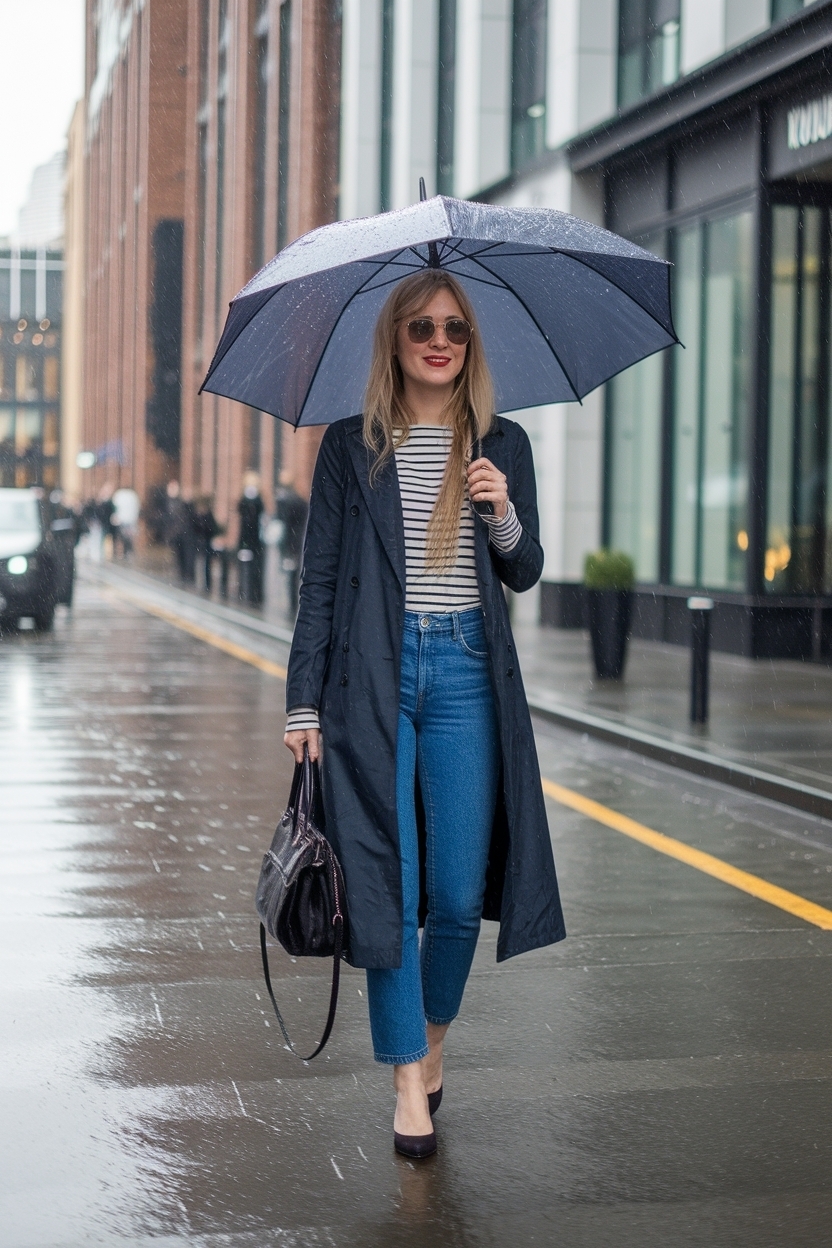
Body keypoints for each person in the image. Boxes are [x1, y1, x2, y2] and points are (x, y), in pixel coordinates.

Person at [283, 270, 565, 1160]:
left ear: (470, 342)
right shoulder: (351, 446)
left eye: (453, 328)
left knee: (453, 892)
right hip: (373, 677)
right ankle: (409, 1079)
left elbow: (525, 572)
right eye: (419, 329)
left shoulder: (501, 443)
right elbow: (319, 582)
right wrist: (303, 697)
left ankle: (433, 1036)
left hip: (468, 672)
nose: (438, 340)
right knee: (385, 884)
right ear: (395, 342)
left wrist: (503, 512)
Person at [274, 470, 308, 615]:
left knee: (290, 573)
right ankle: (293, 603)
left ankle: (292, 603)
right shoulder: (299, 500)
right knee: (293, 573)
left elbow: (285, 523)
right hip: (298, 540)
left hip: (290, 541)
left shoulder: (285, 501)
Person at [237, 471, 265, 605]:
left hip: (253, 541)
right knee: (247, 570)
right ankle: (248, 594)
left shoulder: (256, 501)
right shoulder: (246, 501)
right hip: (249, 541)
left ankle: (253, 595)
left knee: (253, 570)